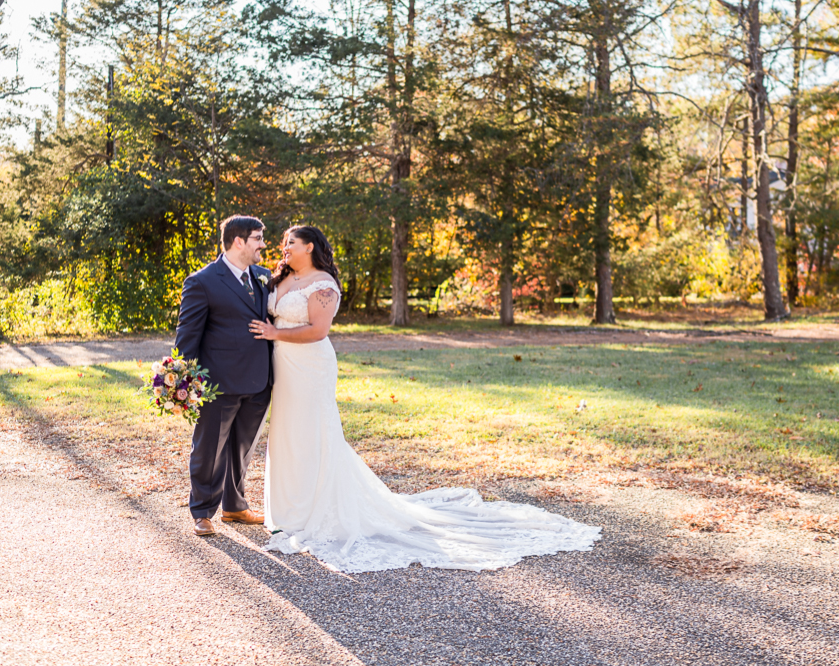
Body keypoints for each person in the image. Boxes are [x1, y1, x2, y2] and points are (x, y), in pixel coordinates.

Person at [249, 225, 601, 573]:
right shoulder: (279, 279)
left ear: (310, 247)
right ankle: (288, 510)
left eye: (291, 244)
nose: (285, 249)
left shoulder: (323, 284)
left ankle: (315, 510)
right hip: (283, 365)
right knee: (287, 434)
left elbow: (317, 330)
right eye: (283, 244)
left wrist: (274, 332)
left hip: (310, 367)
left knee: (312, 434)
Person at [175, 216, 274, 536]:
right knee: (209, 448)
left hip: (259, 381)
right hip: (218, 383)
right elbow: (187, 338)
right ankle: (202, 511)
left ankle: (235, 506)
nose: (263, 244)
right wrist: (182, 384)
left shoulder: (263, 276)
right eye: (258, 238)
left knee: (241, 448)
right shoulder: (202, 281)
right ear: (238, 241)